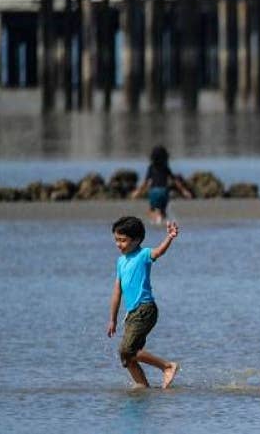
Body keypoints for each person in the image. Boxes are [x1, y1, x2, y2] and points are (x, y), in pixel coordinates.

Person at [107, 215, 180, 389]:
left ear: (136, 240)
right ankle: (142, 387)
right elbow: (117, 291)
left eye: (123, 240)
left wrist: (169, 237)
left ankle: (167, 366)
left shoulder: (143, 254)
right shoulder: (120, 262)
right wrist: (112, 319)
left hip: (145, 309)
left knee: (127, 349)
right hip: (132, 314)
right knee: (127, 357)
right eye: (116, 240)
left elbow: (158, 252)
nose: (119, 244)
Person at [131, 146, 193, 224]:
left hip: (154, 191)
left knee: (152, 210)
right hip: (164, 192)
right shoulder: (165, 168)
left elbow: (146, 182)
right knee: (163, 211)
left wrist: (137, 192)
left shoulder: (151, 168)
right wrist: (184, 191)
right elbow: (174, 180)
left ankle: (157, 219)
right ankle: (162, 221)